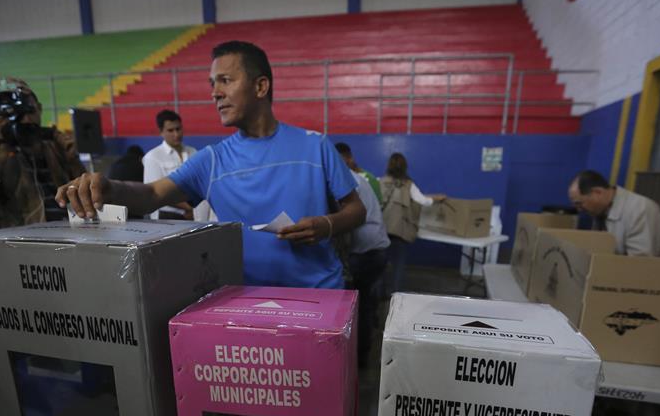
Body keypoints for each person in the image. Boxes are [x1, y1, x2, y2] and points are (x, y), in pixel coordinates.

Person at [57, 41, 365, 289]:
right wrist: (109, 187)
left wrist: (326, 225)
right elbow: (151, 194)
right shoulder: (212, 160)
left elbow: (356, 210)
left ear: (261, 87)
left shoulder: (315, 145)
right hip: (245, 300)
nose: (214, 93)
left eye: (226, 81)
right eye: (212, 83)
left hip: (318, 296)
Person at [0, 78, 84, 230]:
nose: (26, 121)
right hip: (19, 247)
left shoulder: (56, 147)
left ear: (39, 108)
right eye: (16, 115)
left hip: (68, 238)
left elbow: (86, 199)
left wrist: (73, 160)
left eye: (30, 111)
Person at [339, 151, 390, 365]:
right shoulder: (360, 178)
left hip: (365, 252)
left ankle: (358, 357)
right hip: (378, 248)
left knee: (358, 306)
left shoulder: (347, 181)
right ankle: (364, 353)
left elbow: (347, 219)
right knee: (367, 302)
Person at [568, 169, 660, 257]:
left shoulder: (639, 209)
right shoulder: (602, 211)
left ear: (598, 192)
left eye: (580, 203)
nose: (579, 209)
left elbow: (641, 263)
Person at [379, 152, 445, 293]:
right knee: (398, 267)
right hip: (399, 231)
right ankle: (396, 296)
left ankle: (380, 294)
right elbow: (423, 201)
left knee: (380, 266)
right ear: (405, 167)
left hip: (381, 231)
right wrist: (436, 199)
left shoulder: (381, 181)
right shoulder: (409, 185)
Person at [143, 109, 197, 220]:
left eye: (178, 129)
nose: (176, 134)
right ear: (161, 132)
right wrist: (188, 208)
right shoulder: (152, 157)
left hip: (195, 214)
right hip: (167, 217)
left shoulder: (193, 152)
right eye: (170, 130)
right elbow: (154, 193)